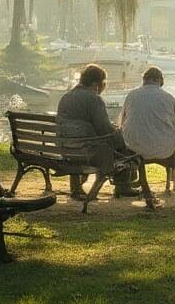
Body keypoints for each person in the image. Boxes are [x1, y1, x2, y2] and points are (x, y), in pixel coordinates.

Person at [56, 64, 140, 201]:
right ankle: (122, 185)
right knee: (125, 151)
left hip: (67, 148)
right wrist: (121, 138)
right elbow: (104, 129)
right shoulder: (93, 99)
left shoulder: (66, 97)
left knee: (107, 144)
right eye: (104, 83)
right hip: (88, 151)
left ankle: (76, 188)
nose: (104, 87)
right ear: (96, 84)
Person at [119, 66, 175, 173]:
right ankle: (173, 177)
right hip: (164, 149)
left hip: (135, 148)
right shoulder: (168, 97)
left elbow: (122, 121)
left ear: (144, 79)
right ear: (160, 80)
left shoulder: (131, 95)